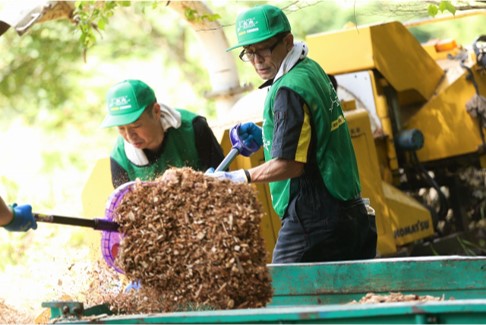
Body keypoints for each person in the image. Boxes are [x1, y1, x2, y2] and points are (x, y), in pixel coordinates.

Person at [207, 4, 377, 263]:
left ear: (287, 41)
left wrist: (237, 178)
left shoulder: (288, 89)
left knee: (283, 293)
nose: (257, 60)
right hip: (346, 208)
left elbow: (290, 165)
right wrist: (268, 133)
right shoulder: (310, 69)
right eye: (249, 52)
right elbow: (312, 133)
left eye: (264, 49)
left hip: (314, 216)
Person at [101, 79, 225, 188]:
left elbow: (223, 177)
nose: (129, 136)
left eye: (136, 125)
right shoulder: (120, 158)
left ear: (156, 111)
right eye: (121, 128)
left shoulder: (194, 129)